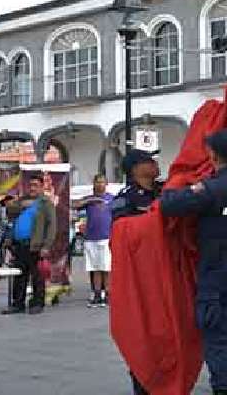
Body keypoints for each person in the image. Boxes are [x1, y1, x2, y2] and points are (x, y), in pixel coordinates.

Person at [160, 129, 227, 395]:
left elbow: (170, 204)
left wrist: (182, 186)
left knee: (217, 334)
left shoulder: (213, 188)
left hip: (218, 270)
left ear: (213, 154)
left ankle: (225, 387)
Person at [110, 149, 162, 395]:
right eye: (148, 161)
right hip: (142, 277)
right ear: (135, 169)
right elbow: (121, 234)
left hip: (166, 274)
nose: (154, 164)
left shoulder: (165, 192)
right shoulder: (125, 199)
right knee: (142, 332)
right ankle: (142, 383)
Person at [3, 173, 57, 315]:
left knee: (37, 276)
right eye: (30, 185)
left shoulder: (46, 203)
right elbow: (9, 210)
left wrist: (46, 246)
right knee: (20, 275)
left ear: (42, 186)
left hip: (36, 245)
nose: (32, 188)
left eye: (36, 185)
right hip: (19, 244)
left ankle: (37, 302)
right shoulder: (22, 201)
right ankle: (18, 303)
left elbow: (52, 226)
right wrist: (21, 204)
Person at [74, 174, 114, 308]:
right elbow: (75, 205)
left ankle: (108, 294)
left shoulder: (111, 199)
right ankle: (97, 294)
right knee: (94, 267)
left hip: (106, 237)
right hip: (91, 238)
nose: (100, 185)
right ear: (94, 184)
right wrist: (91, 200)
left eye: (102, 182)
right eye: (98, 182)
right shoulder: (89, 199)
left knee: (106, 267)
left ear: (106, 184)